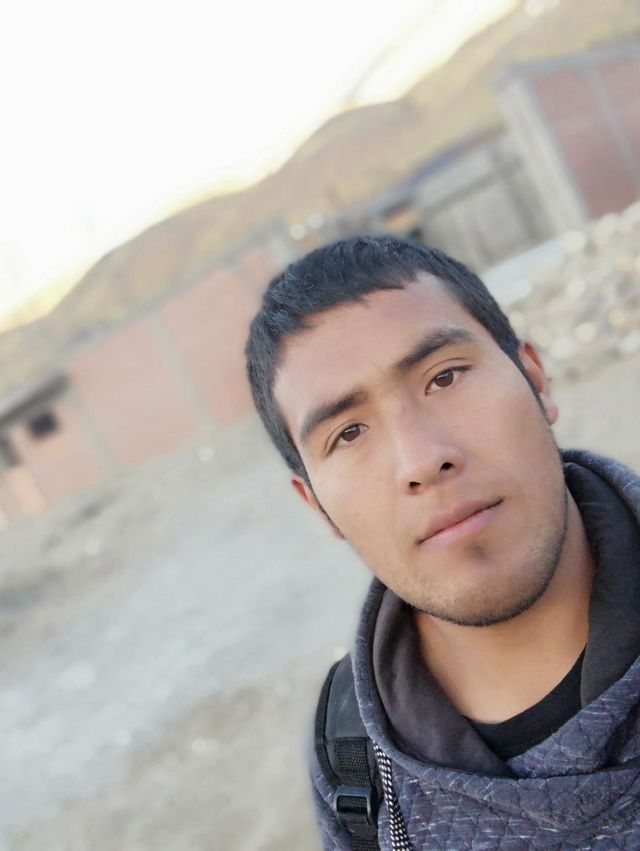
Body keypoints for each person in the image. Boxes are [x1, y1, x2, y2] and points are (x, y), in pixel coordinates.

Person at [245, 235, 640, 849]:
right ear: (317, 504)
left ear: (535, 380)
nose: (422, 461)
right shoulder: (353, 763)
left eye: (445, 377)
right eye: (349, 433)